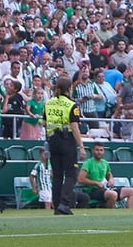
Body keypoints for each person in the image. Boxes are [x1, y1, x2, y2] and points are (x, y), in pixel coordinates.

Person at [44, 75, 85, 215]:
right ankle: (64, 203)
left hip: (52, 141)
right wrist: (81, 147)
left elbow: (44, 123)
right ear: (69, 89)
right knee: (71, 175)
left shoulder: (48, 103)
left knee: (57, 176)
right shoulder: (72, 105)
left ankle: (56, 206)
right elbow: (74, 127)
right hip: (67, 141)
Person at [78, 142, 133, 208]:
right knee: (113, 194)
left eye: (101, 150)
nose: (99, 152)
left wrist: (111, 180)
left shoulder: (105, 163)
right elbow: (80, 179)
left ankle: (128, 213)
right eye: (97, 150)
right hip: (92, 190)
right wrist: (96, 183)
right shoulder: (88, 163)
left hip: (105, 189)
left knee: (132, 191)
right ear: (93, 150)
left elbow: (109, 175)